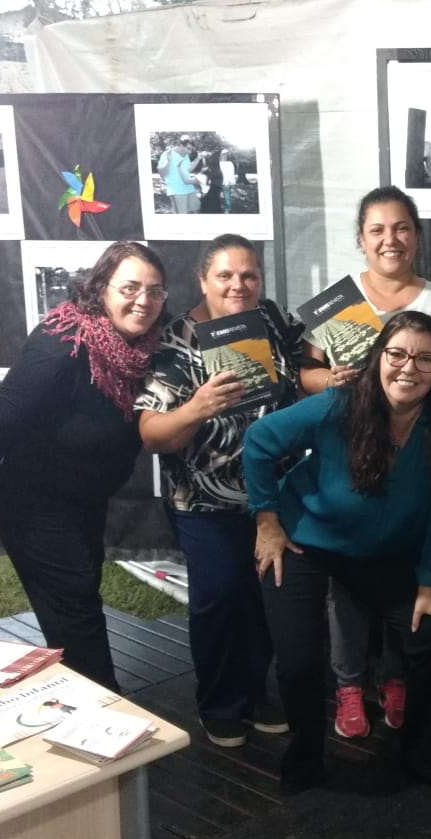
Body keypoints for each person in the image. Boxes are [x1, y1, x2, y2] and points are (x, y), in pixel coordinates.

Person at [0, 241, 170, 690]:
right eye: (130, 287)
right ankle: (104, 713)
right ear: (101, 288)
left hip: (80, 492)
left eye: (155, 291)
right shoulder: (63, 343)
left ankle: (75, 689)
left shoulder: (147, 347)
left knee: (78, 591)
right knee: (76, 607)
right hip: (26, 494)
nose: (143, 300)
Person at [245, 311, 431, 795]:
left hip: (384, 555)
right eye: (396, 354)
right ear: (378, 359)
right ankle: (305, 756)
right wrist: (266, 519)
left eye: (425, 358)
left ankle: (427, 759)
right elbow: (260, 441)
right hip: (305, 540)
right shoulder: (338, 405)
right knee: (297, 660)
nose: (408, 368)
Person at [299, 186, 431, 739]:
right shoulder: (334, 301)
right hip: (347, 459)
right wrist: (333, 382)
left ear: (417, 236)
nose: (389, 239)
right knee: (348, 582)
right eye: (377, 229)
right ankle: (349, 687)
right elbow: (305, 375)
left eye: (401, 227)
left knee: (401, 575)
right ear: (361, 239)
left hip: (416, 459)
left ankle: (395, 679)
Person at [135, 234, 304, 748]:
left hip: (272, 494)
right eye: (226, 276)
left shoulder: (271, 319)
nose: (239, 285)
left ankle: (255, 694)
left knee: (263, 597)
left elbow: (305, 362)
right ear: (203, 280)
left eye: (249, 275)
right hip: (205, 502)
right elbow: (150, 433)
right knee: (219, 600)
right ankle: (219, 703)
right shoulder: (176, 342)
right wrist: (196, 408)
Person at [157, 134, 200, 214]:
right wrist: (168, 161)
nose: (189, 152)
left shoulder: (186, 155)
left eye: (191, 150)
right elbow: (162, 174)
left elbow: (188, 169)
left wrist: (197, 160)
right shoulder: (167, 154)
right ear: (180, 145)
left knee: (196, 210)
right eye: (188, 149)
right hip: (176, 190)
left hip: (189, 188)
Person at [219, 149, 236, 213]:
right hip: (218, 182)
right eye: (223, 154)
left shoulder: (230, 163)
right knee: (217, 196)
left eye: (225, 155)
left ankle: (227, 210)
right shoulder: (218, 163)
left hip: (226, 183)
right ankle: (218, 208)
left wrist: (229, 183)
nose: (224, 156)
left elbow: (231, 174)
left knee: (227, 197)